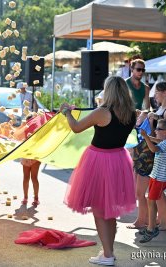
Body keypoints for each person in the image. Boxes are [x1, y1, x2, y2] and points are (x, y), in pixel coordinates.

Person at [62, 76, 136, 266]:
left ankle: (108, 255)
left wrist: (67, 113)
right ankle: (107, 251)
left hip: (100, 160)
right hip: (119, 159)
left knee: (99, 210)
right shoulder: (131, 113)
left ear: (108, 90)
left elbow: (76, 128)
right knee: (110, 211)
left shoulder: (102, 112)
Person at [128, 81, 166, 230]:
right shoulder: (161, 108)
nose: (154, 95)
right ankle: (157, 221)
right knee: (152, 193)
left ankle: (150, 221)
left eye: (156, 92)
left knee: (148, 193)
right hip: (150, 155)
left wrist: (151, 122)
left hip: (155, 156)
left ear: (164, 92)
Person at [139, 119, 166, 243]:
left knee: (151, 201)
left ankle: (151, 229)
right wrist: (149, 137)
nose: (155, 130)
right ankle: (152, 225)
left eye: (158, 129)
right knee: (151, 200)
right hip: (157, 176)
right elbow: (159, 141)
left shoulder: (165, 144)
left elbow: (154, 149)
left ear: (165, 132)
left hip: (160, 178)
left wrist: (146, 137)